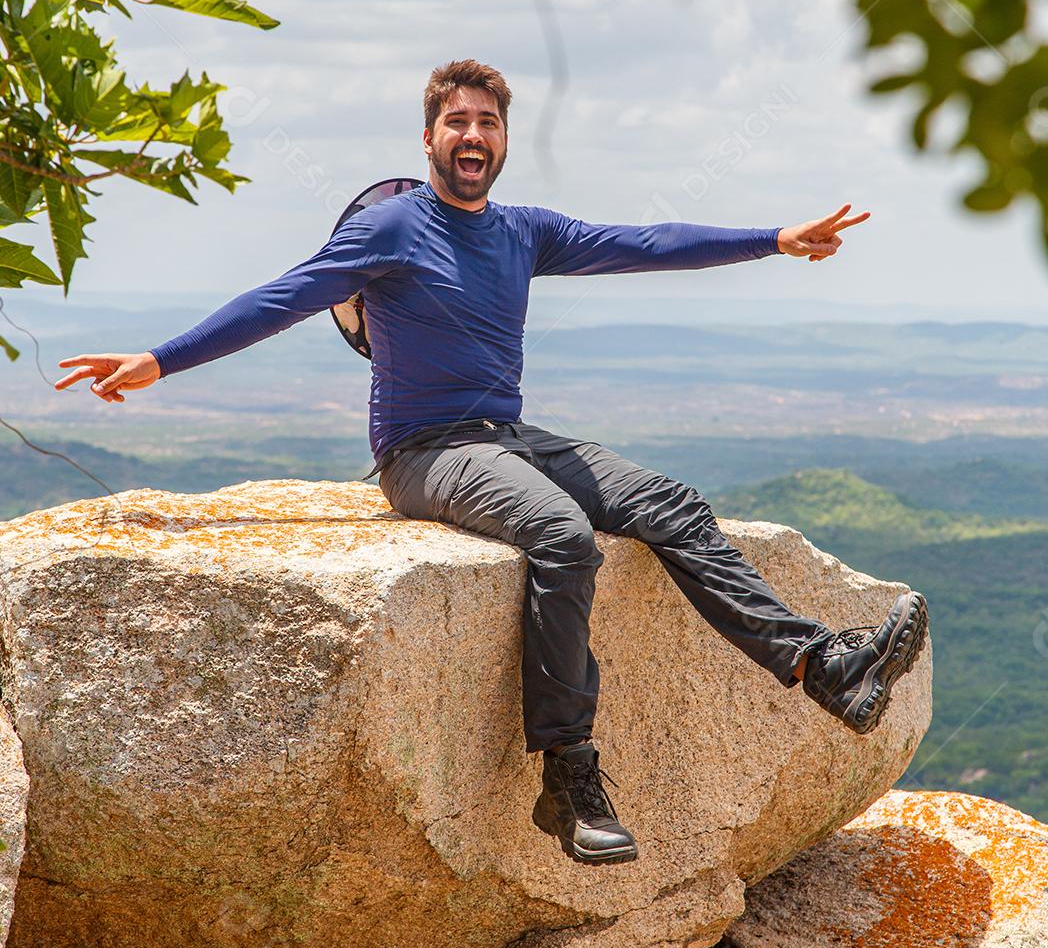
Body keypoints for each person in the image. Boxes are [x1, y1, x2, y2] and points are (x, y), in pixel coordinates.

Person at [55, 58, 929, 869]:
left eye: (488, 123)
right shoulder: (390, 225)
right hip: (424, 452)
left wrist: (774, 238)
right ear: (428, 139)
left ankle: (822, 666)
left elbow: (646, 242)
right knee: (561, 533)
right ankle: (568, 776)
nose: (472, 136)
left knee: (669, 503)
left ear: (504, 140)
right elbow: (282, 297)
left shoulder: (521, 231)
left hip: (506, 435)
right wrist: (159, 360)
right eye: (457, 122)